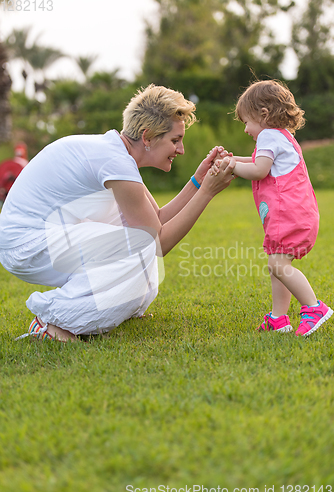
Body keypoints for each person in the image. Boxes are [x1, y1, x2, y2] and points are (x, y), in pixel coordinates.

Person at [0, 84, 235, 342]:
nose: (181, 150)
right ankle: (52, 321)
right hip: (25, 243)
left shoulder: (117, 154)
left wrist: (198, 182)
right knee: (141, 249)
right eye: (175, 140)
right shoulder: (115, 161)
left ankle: (111, 311)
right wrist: (207, 193)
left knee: (141, 248)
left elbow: (155, 220)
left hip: (43, 234)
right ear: (147, 137)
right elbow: (157, 244)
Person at [212, 79, 332, 337]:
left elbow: (258, 170)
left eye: (246, 121)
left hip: (288, 215)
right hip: (297, 212)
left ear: (263, 115)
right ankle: (279, 318)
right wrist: (232, 159)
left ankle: (314, 307)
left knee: (278, 264)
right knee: (276, 263)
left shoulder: (268, 136)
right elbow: (257, 161)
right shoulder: (282, 136)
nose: (245, 130)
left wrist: (232, 166)